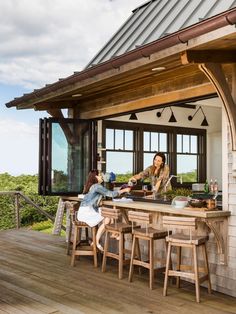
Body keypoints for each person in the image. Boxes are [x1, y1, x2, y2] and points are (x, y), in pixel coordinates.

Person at [77, 169, 131, 251]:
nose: (102, 176)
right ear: (95, 177)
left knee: (108, 215)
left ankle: (107, 236)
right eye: (100, 175)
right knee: (108, 216)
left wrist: (99, 202)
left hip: (84, 211)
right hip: (87, 212)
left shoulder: (91, 185)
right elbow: (111, 194)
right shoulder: (97, 186)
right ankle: (102, 238)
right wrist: (124, 190)